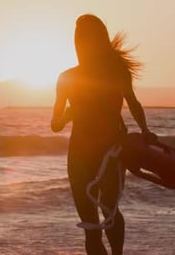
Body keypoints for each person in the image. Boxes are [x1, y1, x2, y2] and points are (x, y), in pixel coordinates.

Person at [51, 14, 155, 255]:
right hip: (87, 153)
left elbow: (133, 103)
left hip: (105, 151)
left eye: (82, 37)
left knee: (104, 215)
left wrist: (145, 130)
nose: (80, 42)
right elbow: (56, 125)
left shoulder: (82, 75)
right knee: (96, 222)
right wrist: (145, 129)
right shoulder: (74, 76)